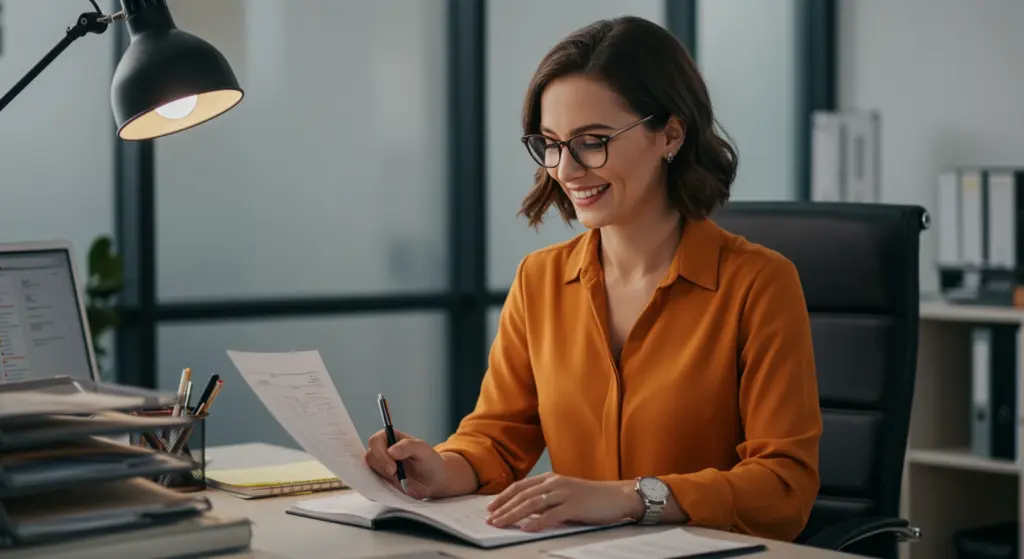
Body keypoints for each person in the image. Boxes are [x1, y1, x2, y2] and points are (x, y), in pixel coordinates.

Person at [365, 15, 821, 542]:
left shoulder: (759, 284)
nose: (567, 169)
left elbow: (785, 487)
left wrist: (632, 497)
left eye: (593, 141)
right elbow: (499, 437)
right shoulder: (539, 280)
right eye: (552, 143)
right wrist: (440, 468)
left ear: (670, 134)